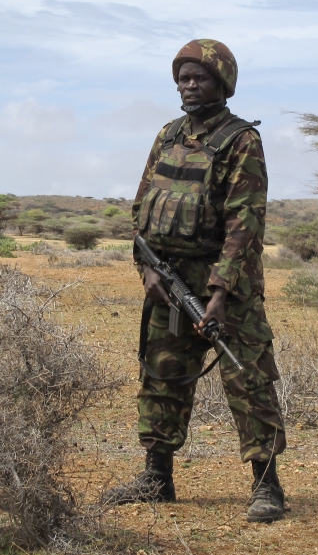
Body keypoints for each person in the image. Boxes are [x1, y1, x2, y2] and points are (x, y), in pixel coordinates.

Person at [105, 39, 287, 523]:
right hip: (168, 281)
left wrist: (220, 292)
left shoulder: (241, 140)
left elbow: (245, 223)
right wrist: (147, 269)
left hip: (227, 286)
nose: (189, 85)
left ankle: (267, 485)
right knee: (161, 376)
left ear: (222, 83)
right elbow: (141, 208)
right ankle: (156, 477)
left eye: (200, 77)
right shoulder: (167, 136)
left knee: (248, 381)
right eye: (183, 77)